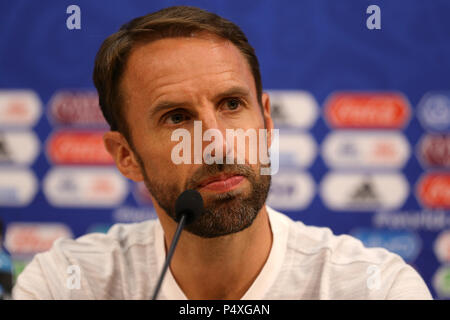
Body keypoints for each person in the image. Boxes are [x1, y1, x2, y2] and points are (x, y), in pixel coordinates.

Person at [13, 5, 432, 300]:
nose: (217, 142)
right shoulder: (64, 284)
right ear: (126, 156)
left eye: (232, 105)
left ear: (266, 123)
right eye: (177, 117)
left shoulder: (375, 288)